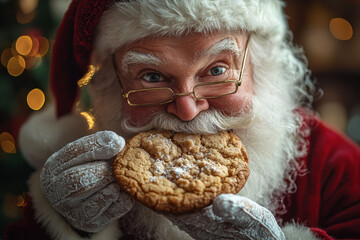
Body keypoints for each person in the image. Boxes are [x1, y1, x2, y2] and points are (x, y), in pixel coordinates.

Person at [4, 0, 360, 239]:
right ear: (111, 86)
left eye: (217, 69)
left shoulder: (339, 168)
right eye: (151, 76)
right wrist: (61, 227)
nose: (187, 110)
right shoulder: (80, 181)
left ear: (261, 67)